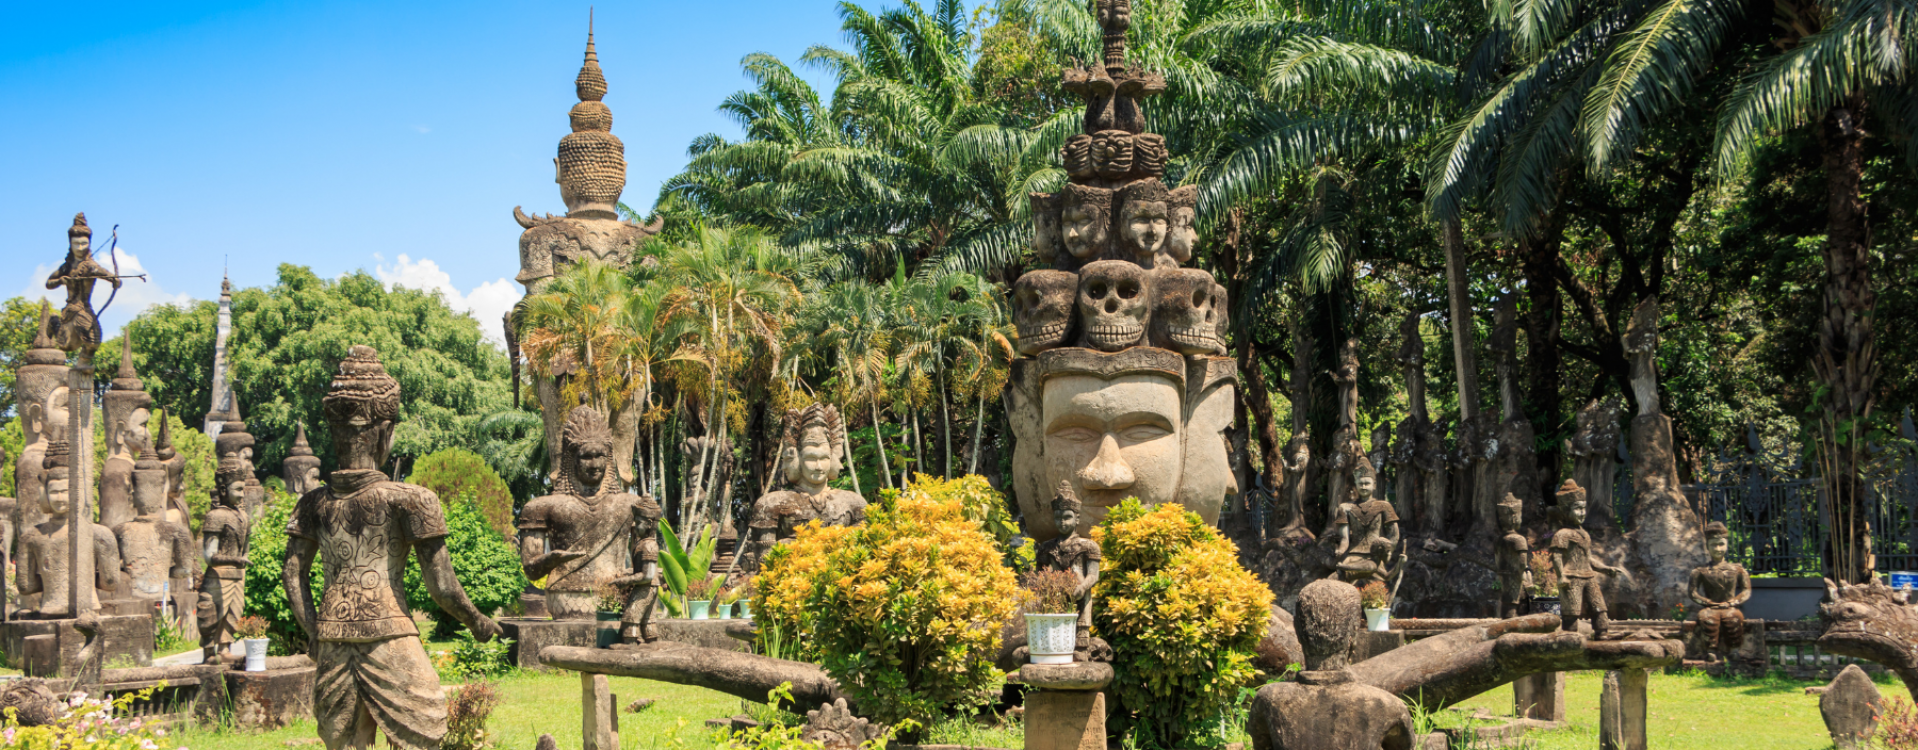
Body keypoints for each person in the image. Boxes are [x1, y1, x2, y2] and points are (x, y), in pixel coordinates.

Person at [284, 346, 502, 750]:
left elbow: (292, 574)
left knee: (343, 742)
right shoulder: (411, 500)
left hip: (332, 638)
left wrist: (314, 631)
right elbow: (442, 586)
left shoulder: (312, 504)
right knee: (423, 734)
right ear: (385, 432)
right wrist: (477, 621)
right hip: (391, 635)